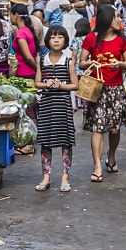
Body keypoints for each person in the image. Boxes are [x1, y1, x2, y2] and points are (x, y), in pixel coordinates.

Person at [81, 2, 126, 180]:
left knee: (114, 129)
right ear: (107, 19)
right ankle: (97, 166)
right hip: (97, 89)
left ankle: (111, 155)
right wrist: (91, 63)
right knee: (98, 127)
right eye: (116, 16)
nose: (119, 19)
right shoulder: (90, 39)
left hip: (116, 89)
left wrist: (119, 64)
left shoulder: (122, 40)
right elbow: (81, 62)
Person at [33, 26, 80, 192]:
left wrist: (62, 85)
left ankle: (65, 176)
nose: (56, 40)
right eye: (53, 37)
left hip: (63, 106)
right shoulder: (42, 60)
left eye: (60, 37)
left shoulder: (69, 62)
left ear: (65, 41)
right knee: (46, 141)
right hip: (47, 105)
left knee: (65, 141)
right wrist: (45, 84)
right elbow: (37, 83)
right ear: (47, 40)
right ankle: (46, 175)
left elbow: (75, 85)